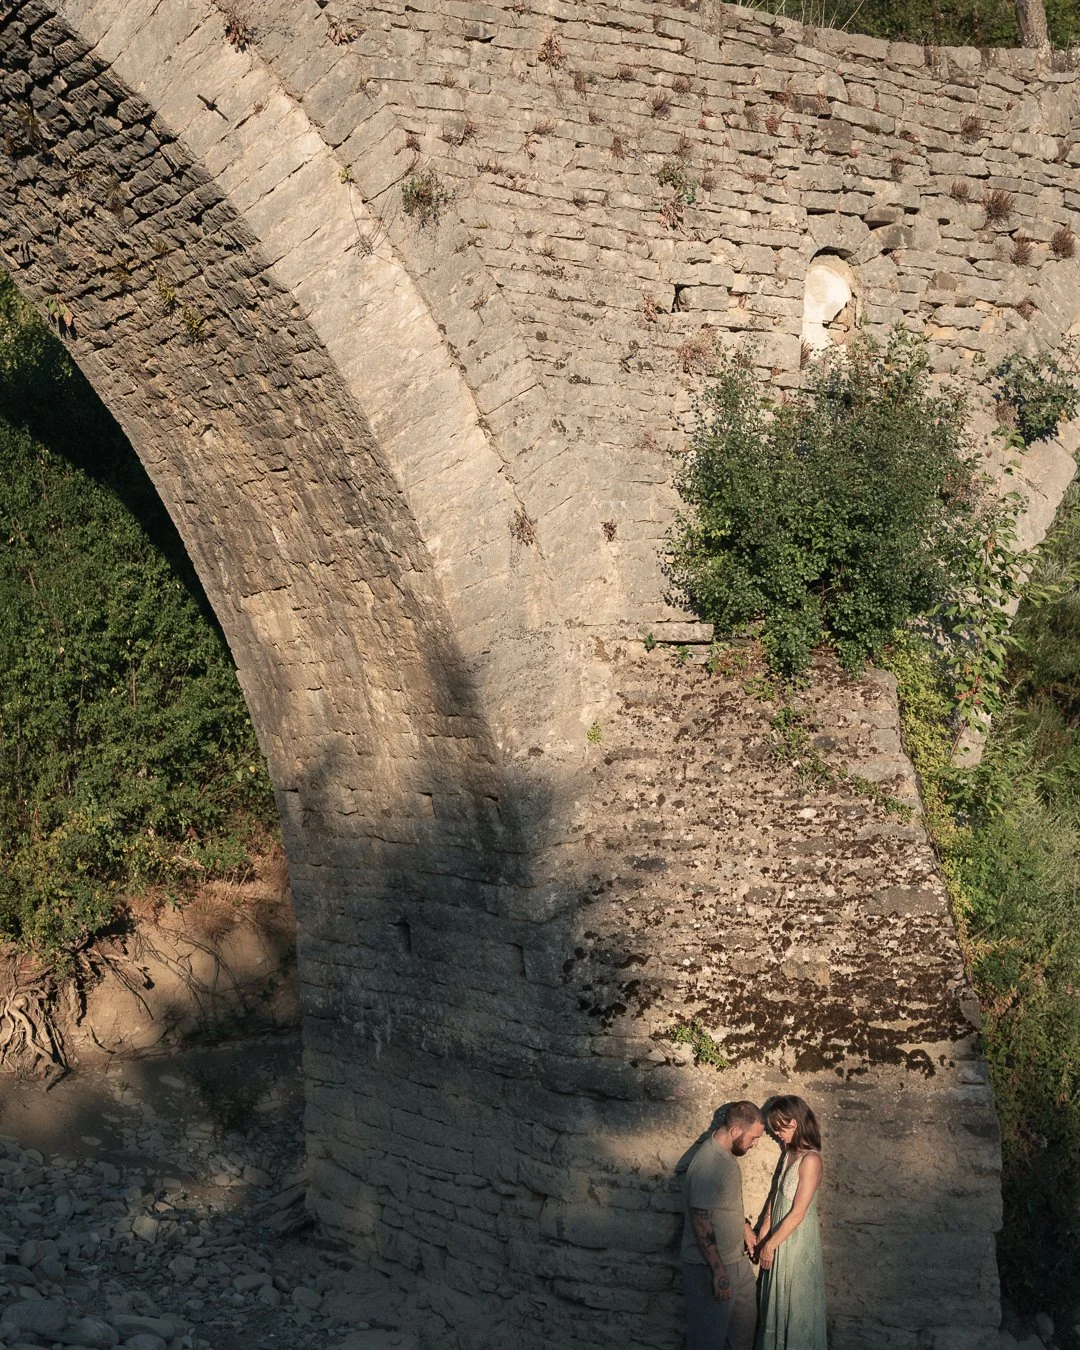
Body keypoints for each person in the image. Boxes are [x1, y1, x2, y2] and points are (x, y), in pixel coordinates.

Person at [680, 1101, 765, 1350]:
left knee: (741, 1339)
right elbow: (701, 1218)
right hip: (709, 1267)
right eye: (754, 1137)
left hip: (736, 1261)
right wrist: (718, 1272)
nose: (756, 1144)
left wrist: (744, 1227)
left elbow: (722, 1205)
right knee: (707, 1342)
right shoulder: (709, 1162)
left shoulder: (726, 1156)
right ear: (736, 1131)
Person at [753, 1095, 827, 1350]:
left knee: (794, 1303)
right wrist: (765, 1224)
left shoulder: (811, 1160)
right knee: (775, 1300)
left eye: (779, 1128)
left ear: (794, 1123)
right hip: (779, 1235)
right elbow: (778, 1191)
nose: (776, 1134)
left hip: (796, 1243)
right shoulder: (790, 1154)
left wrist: (770, 1245)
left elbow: (798, 1212)